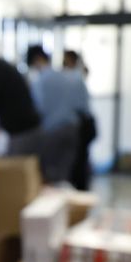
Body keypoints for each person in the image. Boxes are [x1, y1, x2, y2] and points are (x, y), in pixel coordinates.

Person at [27, 46, 89, 185]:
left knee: (51, 174)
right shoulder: (67, 77)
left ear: (37, 60)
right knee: (66, 173)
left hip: (52, 131)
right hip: (72, 128)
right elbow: (81, 106)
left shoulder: (40, 81)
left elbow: (38, 108)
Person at [63, 50, 96, 191]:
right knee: (80, 159)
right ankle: (81, 189)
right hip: (84, 122)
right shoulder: (77, 76)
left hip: (82, 123)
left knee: (79, 160)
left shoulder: (73, 77)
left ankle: (81, 190)